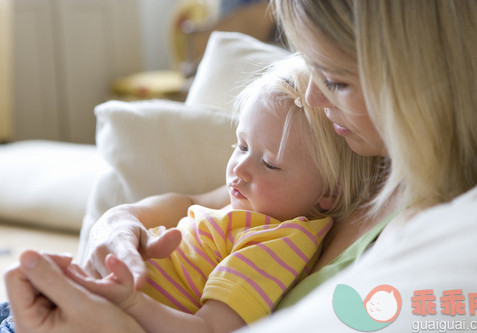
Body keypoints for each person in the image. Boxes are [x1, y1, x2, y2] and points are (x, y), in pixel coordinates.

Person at [4, 0, 477, 332]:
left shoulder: (436, 232)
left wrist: (123, 316)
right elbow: (192, 204)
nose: (312, 96)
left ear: (421, 83)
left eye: (337, 82)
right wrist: (118, 225)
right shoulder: (297, 183)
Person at [1, 54, 384, 333]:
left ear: (328, 196)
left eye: (269, 164)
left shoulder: (278, 240)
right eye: (241, 146)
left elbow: (210, 329)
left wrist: (132, 303)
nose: (239, 168)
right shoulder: (247, 203)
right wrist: (123, 220)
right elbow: (187, 202)